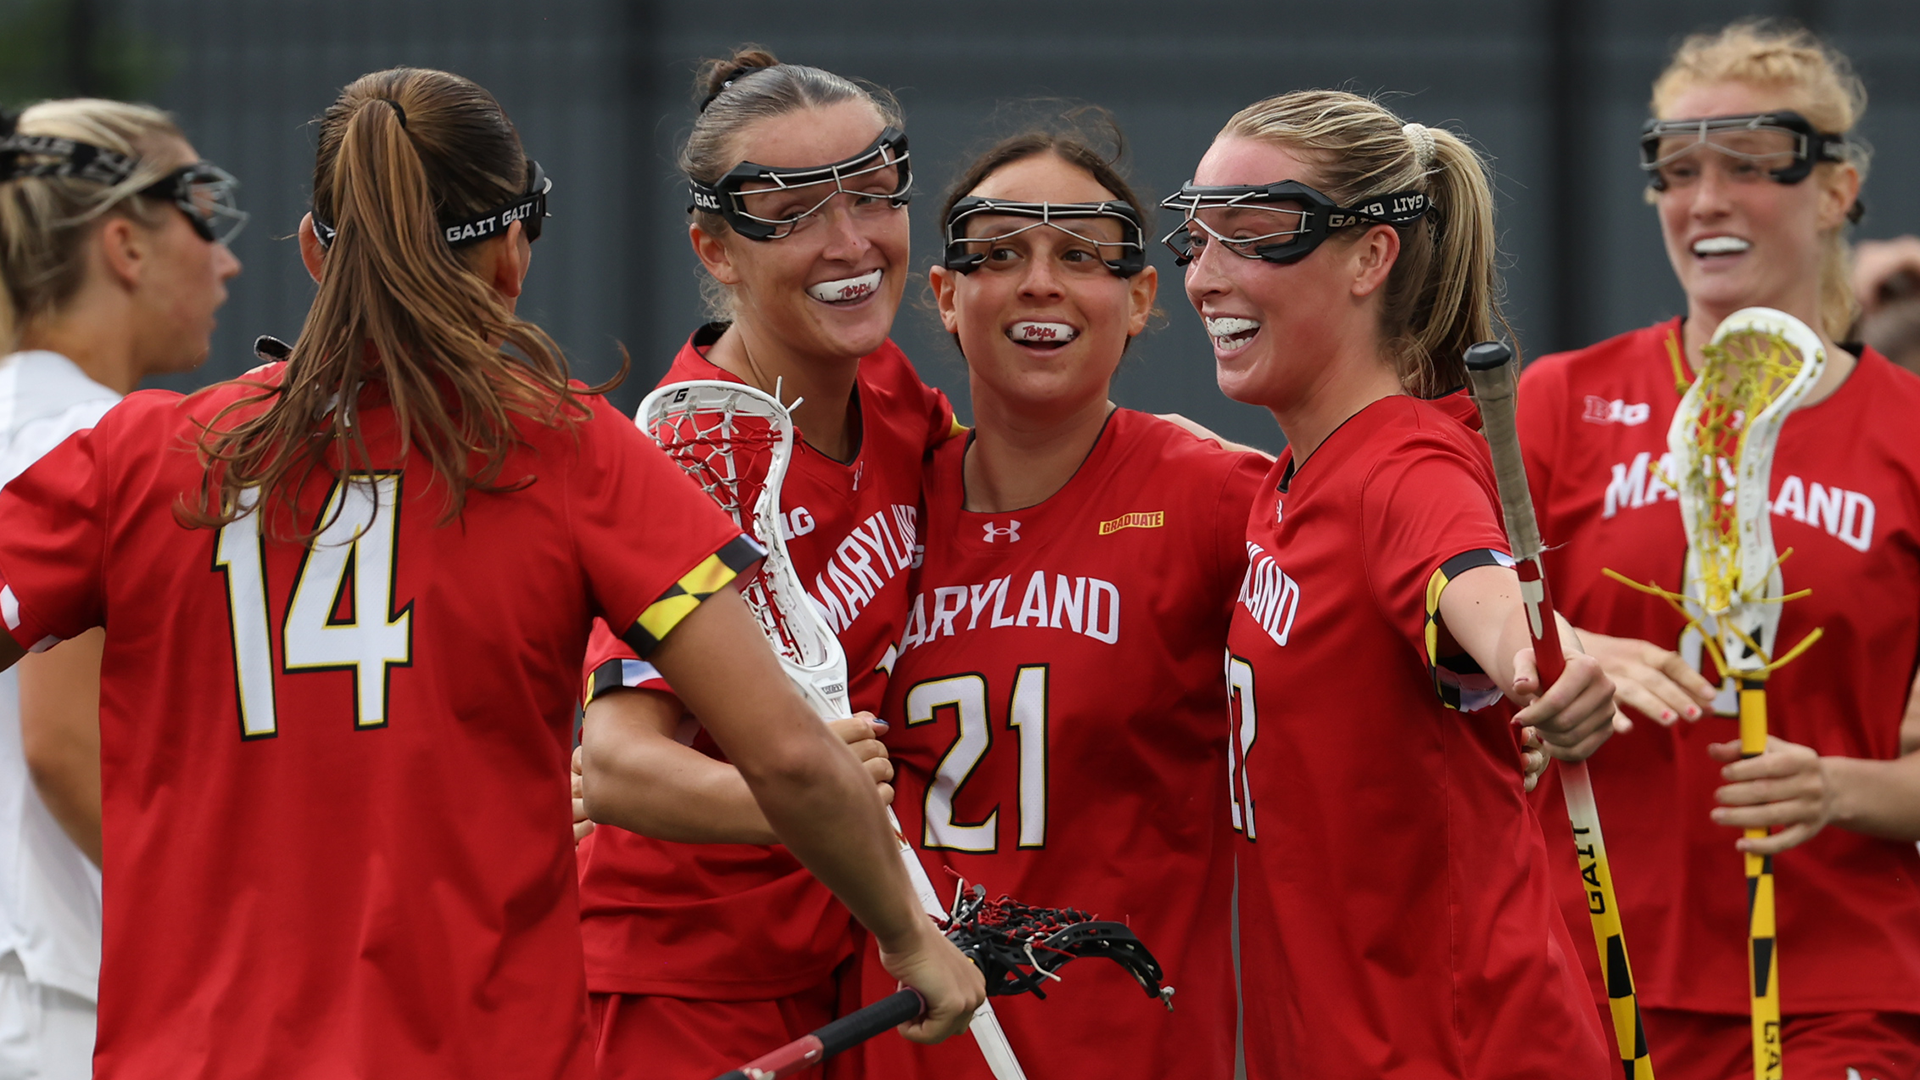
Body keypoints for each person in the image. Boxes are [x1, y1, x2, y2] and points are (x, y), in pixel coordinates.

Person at [0, 66, 981, 1080]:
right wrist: (911, 942)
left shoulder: (146, 454)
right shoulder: (568, 452)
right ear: (515, 252)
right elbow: (784, 755)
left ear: (311, 251)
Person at [1164, 88, 1620, 1078]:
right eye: (1196, 237)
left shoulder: (1403, 468)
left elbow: (1484, 594)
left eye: (1256, 235)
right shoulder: (1295, 477)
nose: (1206, 276)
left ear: (1372, 256)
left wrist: (1543, 667)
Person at [1516, 20, 1920, 1079]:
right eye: (1679, 169)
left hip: (1835, 991)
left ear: (1835, 191)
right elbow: (1445, 629)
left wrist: (1836, 787)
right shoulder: (1564, 400)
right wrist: (1564, 646)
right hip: (1589, 978)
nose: (1705, 201)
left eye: (1749, 167)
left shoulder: (1908, 431)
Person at [842, 119, 1267, 1080]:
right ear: (946, 296)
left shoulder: (1213, 494)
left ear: (1141, 296)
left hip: (1126, 1052)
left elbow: (1389, 573)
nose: (1041, 281)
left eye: (1081, 254)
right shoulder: (877, 506)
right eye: (1000, 254)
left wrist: (1554, 645)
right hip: (903, 1047)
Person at [571, 48, 961, 1079]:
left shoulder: (890, 388)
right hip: (686, 979)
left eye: (872, 195)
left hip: (851, 954)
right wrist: (819, 800)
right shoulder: (686, 458)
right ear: (716, 248)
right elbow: (615, 765)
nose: (849, 241)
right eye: (788, 212)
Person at [0, 97, 242, 1080]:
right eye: (202, 214)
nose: (226, 260)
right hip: (60, 995)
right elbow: (65, 750)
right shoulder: (95, 448)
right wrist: (250, 923)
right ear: (125, 246)